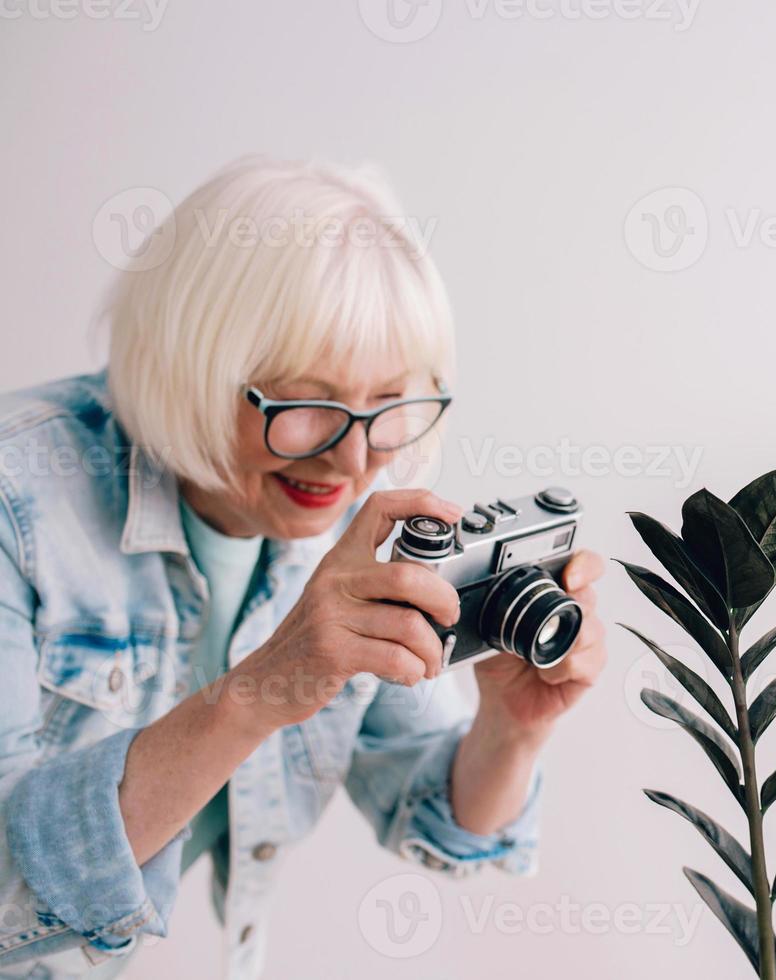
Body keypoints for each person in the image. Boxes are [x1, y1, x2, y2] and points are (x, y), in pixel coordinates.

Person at [0, 158, 608, 979]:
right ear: (191, 370)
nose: (354, 458)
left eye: (391, 405)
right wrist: (260, 693)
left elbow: (438, 823)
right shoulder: (20, 497)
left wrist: (512, 728)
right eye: (306, 404)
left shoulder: (354, 520)